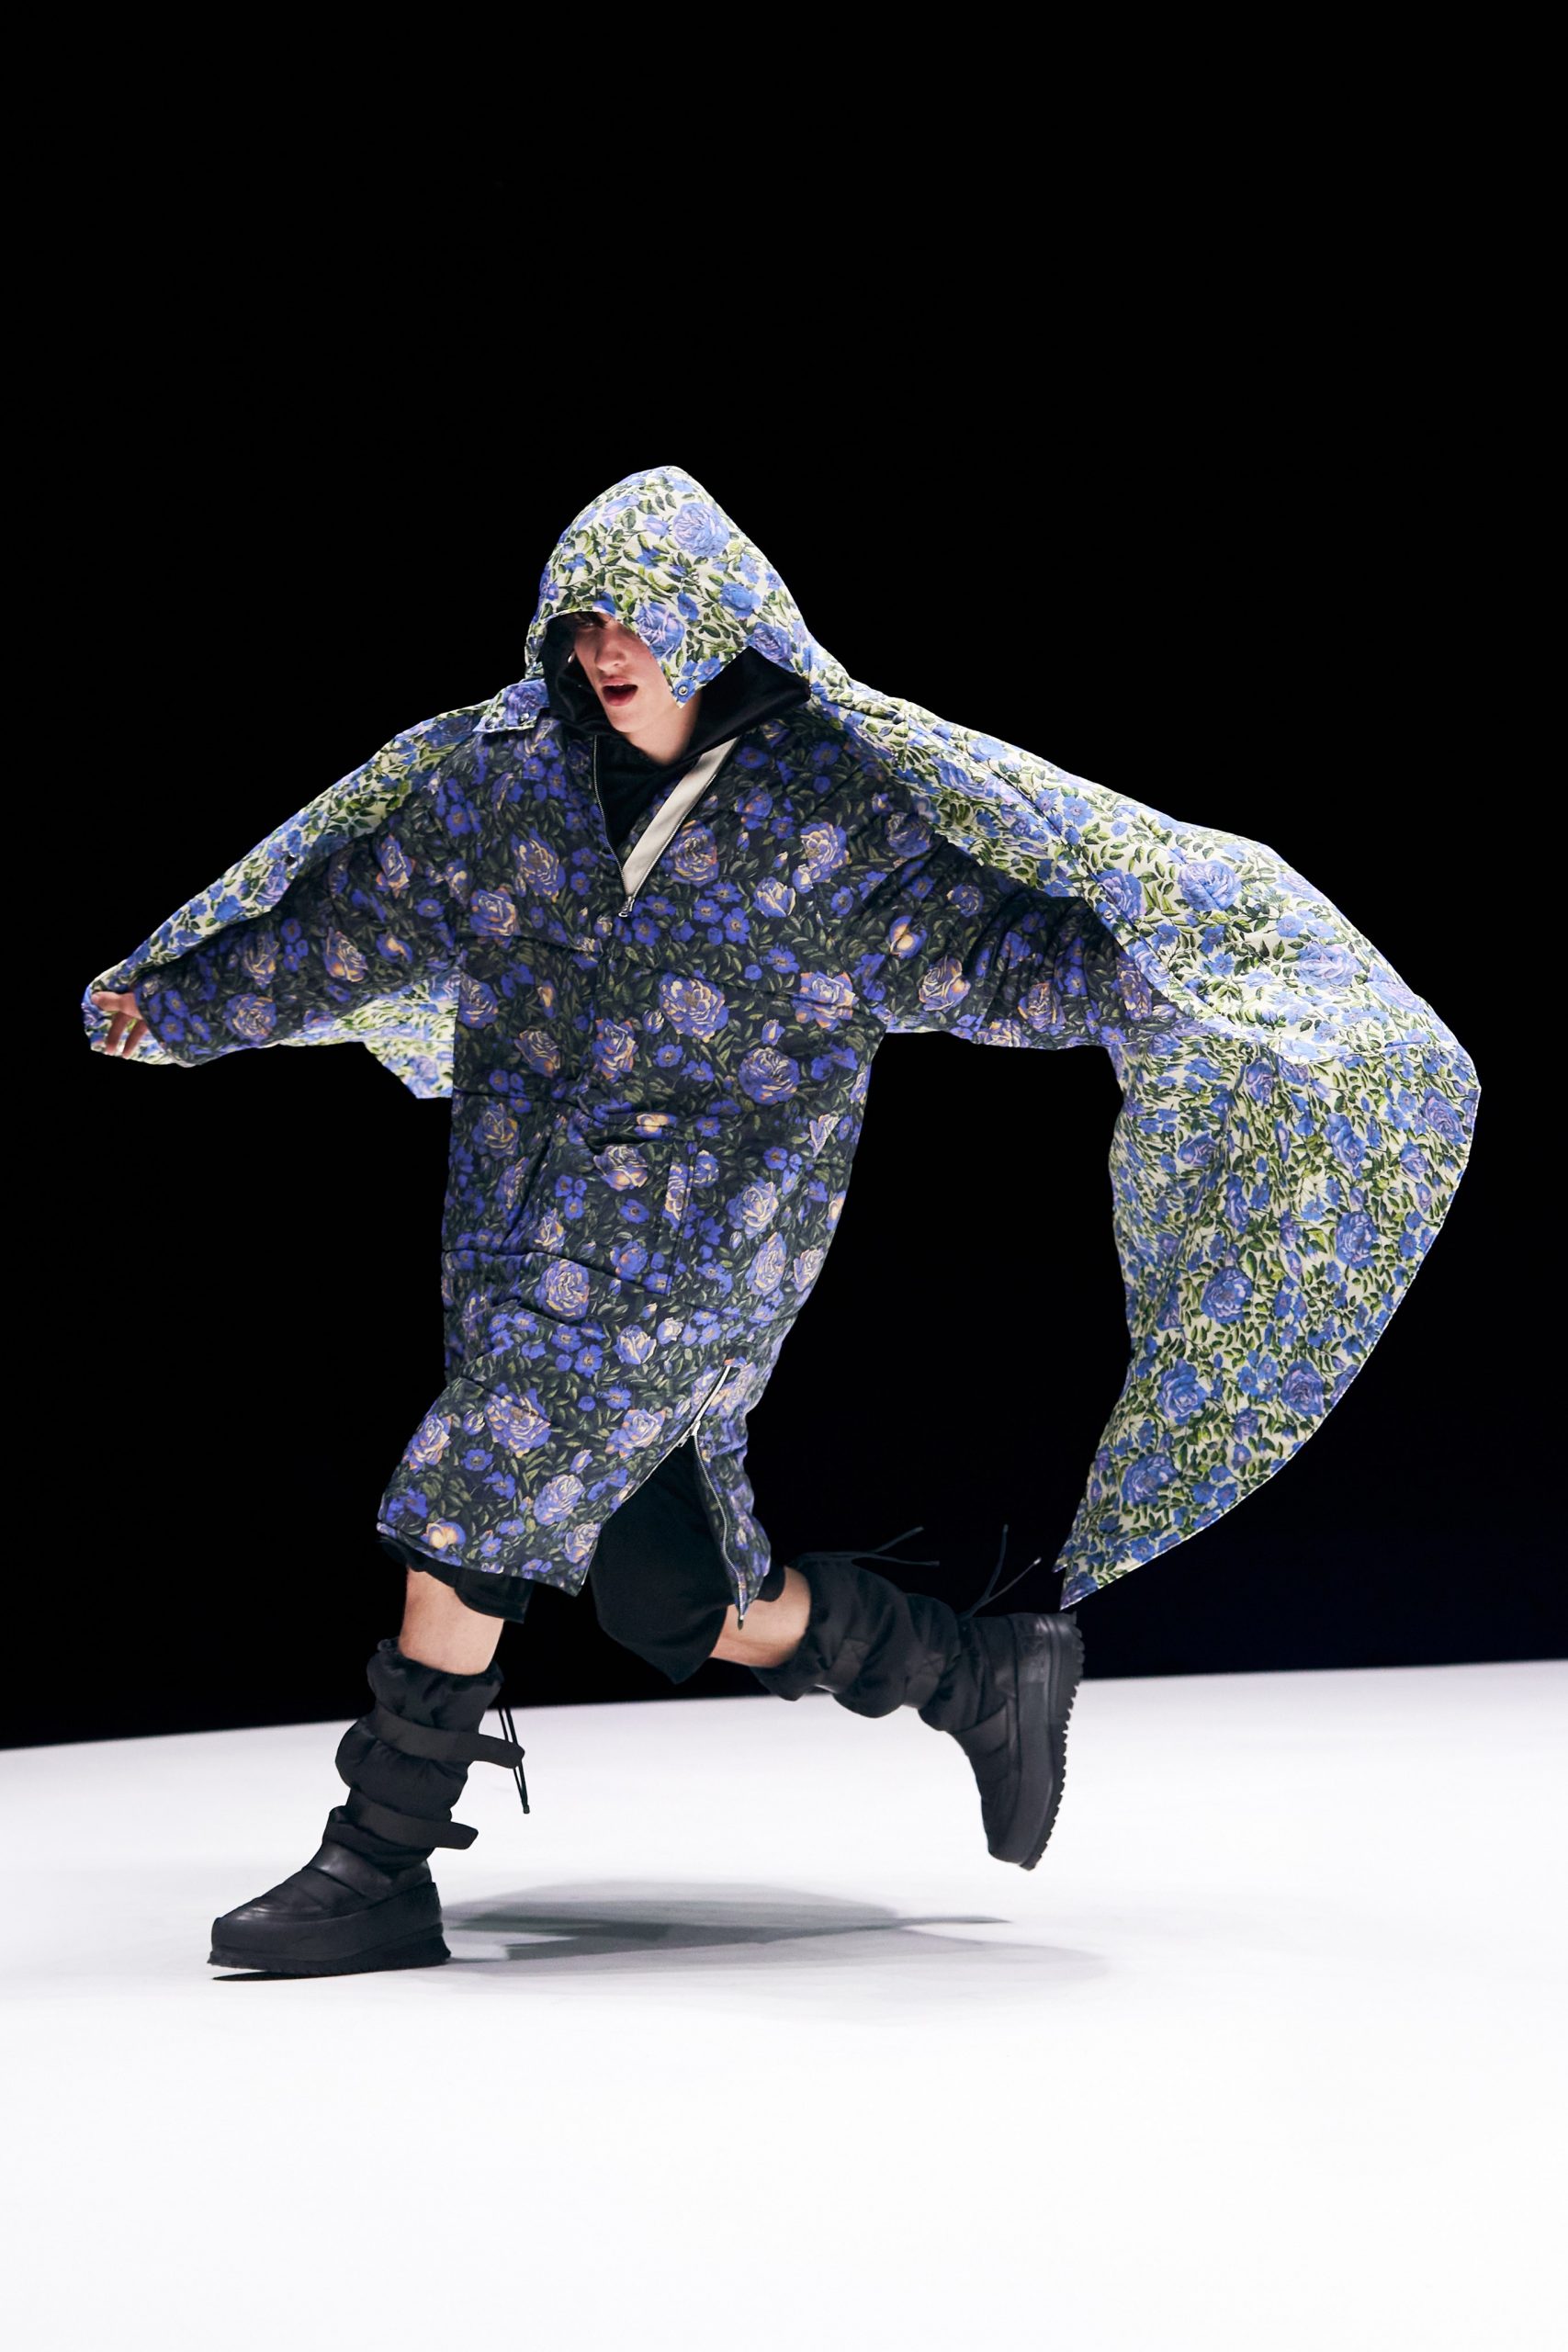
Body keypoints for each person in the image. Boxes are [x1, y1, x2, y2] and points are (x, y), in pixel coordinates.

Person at [85, 464, 1477, 1978]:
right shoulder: (503, 787)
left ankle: (378, 1860)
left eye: (637, 618)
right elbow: (356, 922)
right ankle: (971, 1671)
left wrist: (1186, 978)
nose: (605, 649)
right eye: (582, 621)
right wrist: (180, 1011)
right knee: (670, 1591)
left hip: (704, 1244)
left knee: (477, 1481)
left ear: (714, 620)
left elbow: (988, 954)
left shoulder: (823, 814)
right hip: (515, 1225)